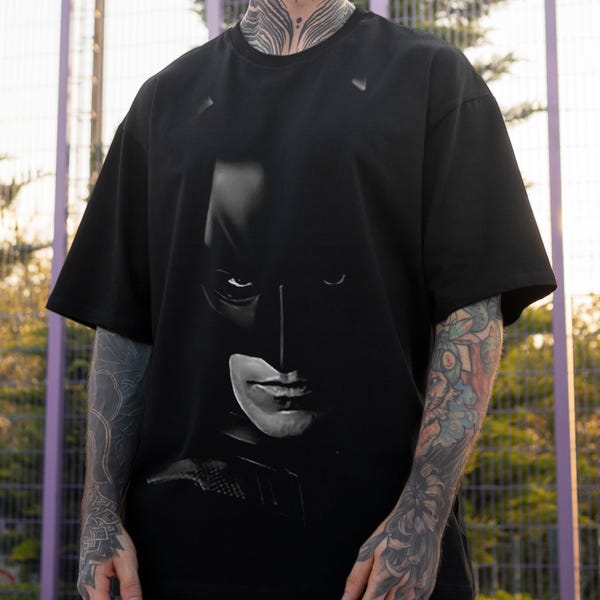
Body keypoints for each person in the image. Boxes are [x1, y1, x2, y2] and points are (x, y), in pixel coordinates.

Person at [46, 0, 557, 597]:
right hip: (175, 560)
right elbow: (125, 327)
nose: (283, 346)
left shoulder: (431, 80)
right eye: (239, 287)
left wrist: (420, 519)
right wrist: (100, 518)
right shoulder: (165, 101)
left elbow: (471, 314)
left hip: (377, 565)